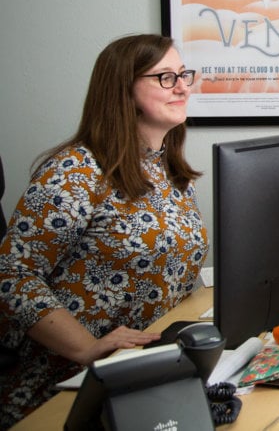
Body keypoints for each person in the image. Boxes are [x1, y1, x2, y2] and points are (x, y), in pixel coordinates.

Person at [0, 34, 208, 428]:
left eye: (184, 74)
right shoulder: (74, 174)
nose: (183, 86)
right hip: (70, 386)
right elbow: (11, 275)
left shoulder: (169, 171)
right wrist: (88, 348)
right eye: (165, 77)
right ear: (123, 91)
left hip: (147, 375)